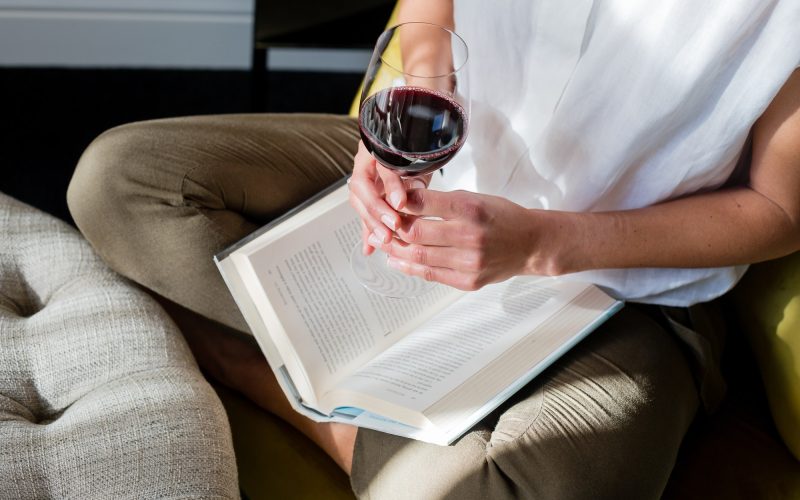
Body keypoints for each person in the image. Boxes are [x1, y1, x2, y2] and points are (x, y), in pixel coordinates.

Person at [67, 0, 800, 498]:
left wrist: (544, 243)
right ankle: (376, 402)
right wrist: (408, 126)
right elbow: (430, 13)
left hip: (621, 288)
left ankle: (264, 377)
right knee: (120, 180)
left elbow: (779, 210)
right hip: (447, 173)